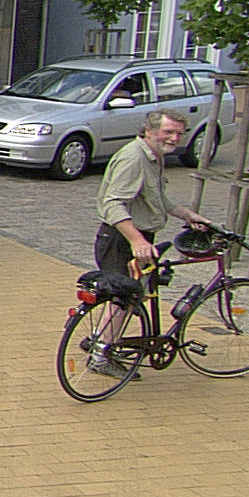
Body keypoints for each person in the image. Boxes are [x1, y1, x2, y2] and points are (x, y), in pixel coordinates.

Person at [91, 108, 214, 377]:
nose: (174, 138)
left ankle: (101, 341)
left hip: (140, 238)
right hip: (122, 239)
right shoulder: (134, 158)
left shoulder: (154, 156)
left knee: (132, 297)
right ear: (149, 131)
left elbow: (156, 197)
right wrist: (136, 240)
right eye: (168, 132)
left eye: (179, 134)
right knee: (123, 299)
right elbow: (113, 204)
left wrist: (186, 214)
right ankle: (100, 355)